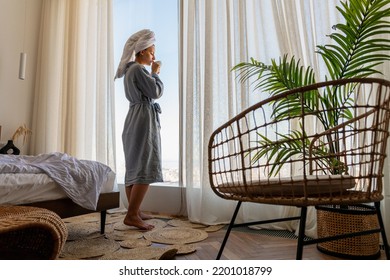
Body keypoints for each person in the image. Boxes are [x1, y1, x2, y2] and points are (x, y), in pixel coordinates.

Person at [115, 29, 163, 230]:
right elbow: (155, 92)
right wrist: (156, 74)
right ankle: (132, 214)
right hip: (143, 120)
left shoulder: (130, 70)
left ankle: (134, 211)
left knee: (134, 166)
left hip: (134, 118)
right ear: (142, 51)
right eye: (152, 52)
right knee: (144, 165)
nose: (154, 57)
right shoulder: (139, 70)